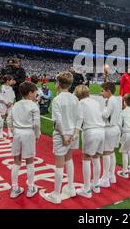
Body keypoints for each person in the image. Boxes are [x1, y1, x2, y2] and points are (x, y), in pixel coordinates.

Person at [43, 72, 79, 204]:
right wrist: (74, 134)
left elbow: (58, 121)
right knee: (69, 159)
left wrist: (64, 136)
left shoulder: (58, 99)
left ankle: (56, 195)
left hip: (62, 134)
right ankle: (70, 188)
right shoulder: (74, 98)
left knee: (59, 164)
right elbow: (79, 117)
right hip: (73, 133)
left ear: (59, 83)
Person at [8, 81, 41, 199]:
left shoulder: (16, 104)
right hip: (28, 133)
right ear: (30, 93)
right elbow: (36, 124)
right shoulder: (33, 105)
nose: (36, 94)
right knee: (29, 161)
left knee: (16, 161)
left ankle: (14, 188)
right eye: (35, 92)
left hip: (17, 132)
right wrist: (37, 135)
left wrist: (13, 131)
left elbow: (9, 120)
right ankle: (31, 187)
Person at [74, 85, 105, 198]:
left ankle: (86, 189)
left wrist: (76, 133)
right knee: (96, 158)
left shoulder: (81, 103)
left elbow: (79, 118)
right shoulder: (95, 102)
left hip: (91, 132)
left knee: (86, 159)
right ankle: (95, 185)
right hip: (102, 131)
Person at [100, 81, 122, 188]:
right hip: (115, 128)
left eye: (102, 91)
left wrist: (97, 111)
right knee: (111, 152)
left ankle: (104, 178)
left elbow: (105, 114)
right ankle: (111, 175)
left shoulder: (111, 101)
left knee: (106, 153)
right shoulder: (116, 99)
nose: (101, 93)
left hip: (109, 129)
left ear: (108, 91)